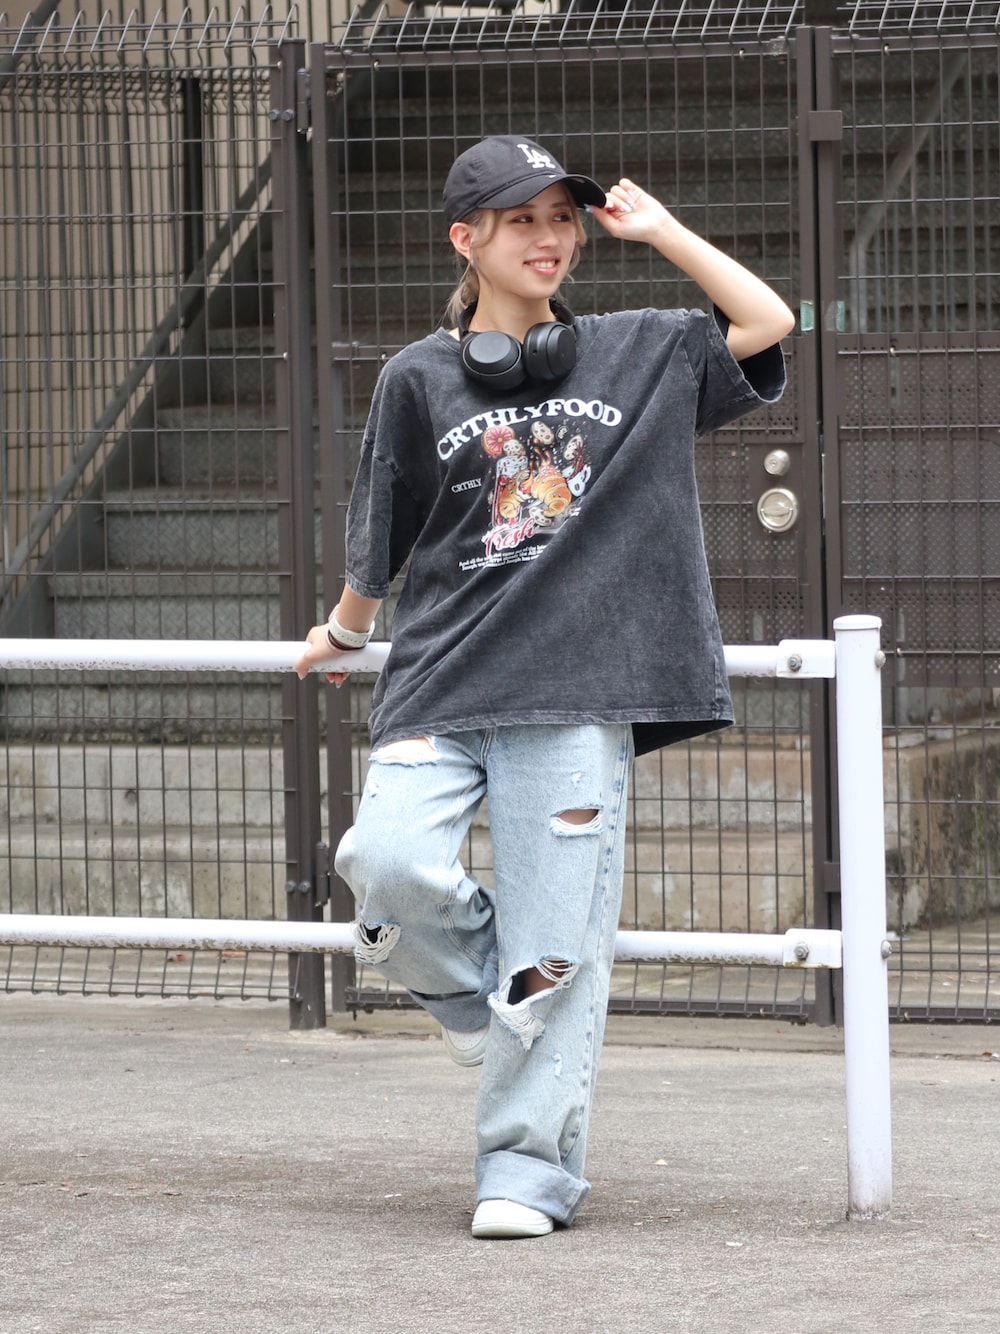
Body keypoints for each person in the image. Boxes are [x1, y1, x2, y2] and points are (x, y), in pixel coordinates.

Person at [296, 135, 795, 1240]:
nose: (549, 237)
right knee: (384, 864)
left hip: (577, 691)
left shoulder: (636, 351)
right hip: (440, 681)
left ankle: (525, 1172)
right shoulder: (418, 376)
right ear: (465, 239)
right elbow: (383, 521)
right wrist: (345, 628)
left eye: (561, 218)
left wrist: (659, 232)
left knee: (553, 952)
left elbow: (766, 322)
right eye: (521, 219)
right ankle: (468, 992)